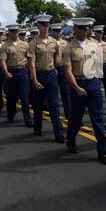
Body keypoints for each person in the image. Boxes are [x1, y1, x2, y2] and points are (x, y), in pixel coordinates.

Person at [62, 18, 106, 165]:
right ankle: (70, 141)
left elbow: (98, 64)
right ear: (75, 29)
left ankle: (103, 151)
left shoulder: (94, 44)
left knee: (98, 118)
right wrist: (76, 87)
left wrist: (98, 79)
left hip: (92, 83)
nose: (84, 31)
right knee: (75, 118)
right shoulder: (68, 48)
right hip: (77, 83)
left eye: (86, 28)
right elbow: (67, 71)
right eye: (81, 29)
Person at [28, 15, 65, 143]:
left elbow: (56, 57)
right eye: (43, 25)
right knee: (38, 104)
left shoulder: (53, 42)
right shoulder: (33, 43)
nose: (46, 27)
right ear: (38, 26)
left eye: (47, 25)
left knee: (54, 105)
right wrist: (35, 80)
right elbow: (31, 63)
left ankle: (58, 133)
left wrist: (54, 68)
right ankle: (37, 128)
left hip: (51, 75)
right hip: (39, 74)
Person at [0, 24, 33, 127]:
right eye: (13, 31)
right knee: (11, 97)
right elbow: (2, 61)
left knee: (24, 97)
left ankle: (28, 120)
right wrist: (6, 72)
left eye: (16, 31)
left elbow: (29, 59)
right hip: (11, 72)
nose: (15, 33)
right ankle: (10, 115)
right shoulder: (5, 46)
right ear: (9, 32)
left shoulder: (25, 44)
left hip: (23, 72)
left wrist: (31, 72)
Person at [50, 23, 71, 119]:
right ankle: (55, 114)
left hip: (63, 68)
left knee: (65, 92)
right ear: (52, 32)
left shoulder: (65, 43)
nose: (57, 33)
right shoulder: (49, 42)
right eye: (55, 31)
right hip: (53, 69)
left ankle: (68, 114)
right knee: (53, 94)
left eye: (59, 31)